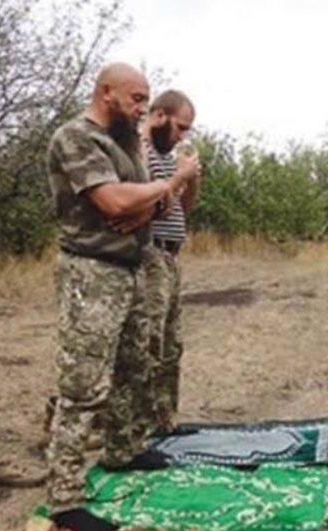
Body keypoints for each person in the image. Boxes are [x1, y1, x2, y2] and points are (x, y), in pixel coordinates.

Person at [44, 62, 201, 509]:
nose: (141, 109)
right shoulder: (76, 137)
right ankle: (64, 495)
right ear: (106, 92)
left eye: (145, 100)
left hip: (133, 266)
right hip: (91, 271)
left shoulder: (127, 142)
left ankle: (123, 450)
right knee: (84, 386)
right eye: (136, 99)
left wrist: (146, 202)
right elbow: (113, 200)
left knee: (135, 367)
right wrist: (162, 186)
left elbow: (153, 203)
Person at [140, 89, 199, 431]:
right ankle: (142, 422)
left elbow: (183, 209)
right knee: (149, 341)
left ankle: (165, 420)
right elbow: (149, 208)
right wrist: (178, 178)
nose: (182, 135)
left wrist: (192, 178)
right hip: (149, 253)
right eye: (180, 127)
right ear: (159, 114)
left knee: (171, 344)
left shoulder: (170, 154)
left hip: (172, 253)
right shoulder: (140, 151)